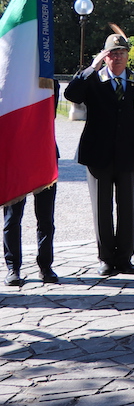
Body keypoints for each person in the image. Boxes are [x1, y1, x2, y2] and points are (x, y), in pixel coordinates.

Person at [63, 34, 134, 276]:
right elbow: (72, 94)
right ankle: (106, 258)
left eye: (121, 53)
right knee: (102, 209)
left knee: (127, 208)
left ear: (127, 55)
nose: (117, 58)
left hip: (128, 156)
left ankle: (124, 258)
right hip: (97, 155)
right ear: (105, 56)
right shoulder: (94, 80)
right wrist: (92, 67)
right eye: (112, 54)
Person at [4, 79, 59, 286]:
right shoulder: (9, 79)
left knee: (45, 218)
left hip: (43, 155)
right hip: (15, 157)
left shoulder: (47, 81)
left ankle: (45, 266)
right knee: (12, 218)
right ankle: (13, 268)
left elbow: (49, 113)